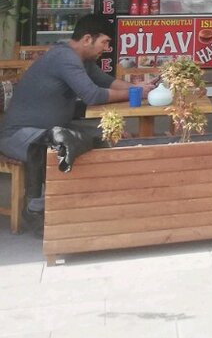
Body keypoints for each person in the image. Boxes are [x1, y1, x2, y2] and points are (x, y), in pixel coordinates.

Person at [0, 14, 143, 232]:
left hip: (53, 130)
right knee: (58, 145)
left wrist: (141, 89)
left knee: (111, 134)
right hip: (19, 136)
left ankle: (91, 204)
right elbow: (93, 95)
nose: (106, 49)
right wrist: (137, 94)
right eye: (104, 42)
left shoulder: (82, 60)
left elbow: (107, 82)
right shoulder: (64, 57)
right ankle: (34, 208)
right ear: (87, 39)